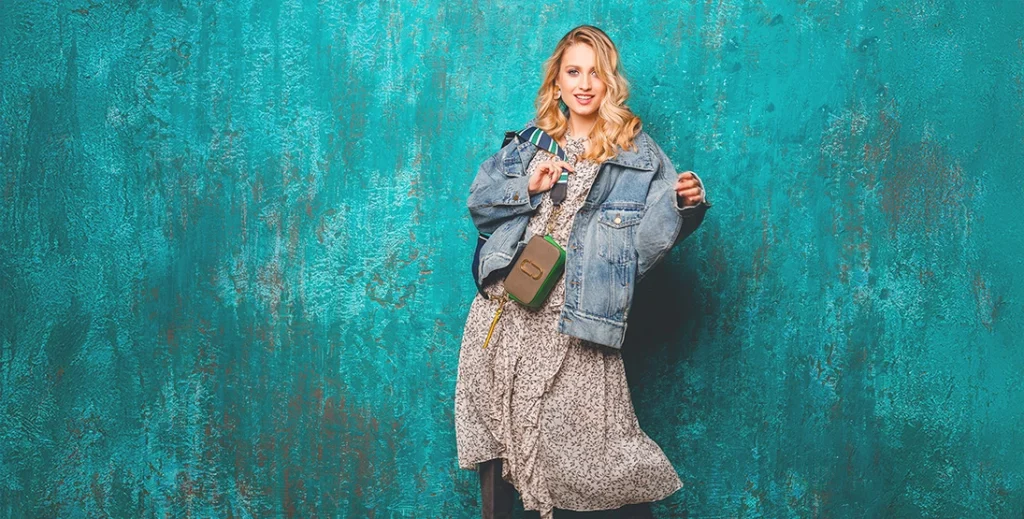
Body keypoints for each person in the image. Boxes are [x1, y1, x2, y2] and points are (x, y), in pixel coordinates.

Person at [455, 25, 710, 519]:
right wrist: (529, 187)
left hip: (579, 318)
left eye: (595, 73)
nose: (585, 84)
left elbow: (647, 242)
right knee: (503, 451)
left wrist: (685, 203)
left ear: (610, 82)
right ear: (557, 81)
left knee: (604, 456)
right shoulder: (528, 143)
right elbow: (480, 206)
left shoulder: (636, 151)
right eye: (573, 72)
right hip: (505, 317)